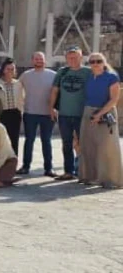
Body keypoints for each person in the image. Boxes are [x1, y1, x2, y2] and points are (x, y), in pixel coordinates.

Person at [77, 53, 121, 189]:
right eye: (92, 61)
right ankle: (90, 176)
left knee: (106, 147)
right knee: (88, 145)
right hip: (88, 112)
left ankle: (110, 179)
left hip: (105, 113)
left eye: (99, 61)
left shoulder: (111, 77)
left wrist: (99, 114)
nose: (95, 64)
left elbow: (114, 99)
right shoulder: (89, 76)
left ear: (104, 62)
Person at [49, 46, 90, 180]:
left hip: (81, 114)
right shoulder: (62, 72)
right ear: (66, 58)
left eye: (75, 57)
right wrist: (51, 108)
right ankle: (68, 171)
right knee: (66, 143)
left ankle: (83, 171)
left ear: (81, 57)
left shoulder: (88, 72)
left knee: (83, 143)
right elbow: (55, 91)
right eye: (70, 57)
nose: (72, 59)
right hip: (64, 114)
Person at [18, 52, 57, 177]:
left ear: (45, 61)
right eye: (36, 59)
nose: (39, 61)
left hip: (47, 113)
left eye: (41, 59)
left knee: (47, 140)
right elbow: (17, 89)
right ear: (32, 61)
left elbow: (58, 94)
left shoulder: (53, 75)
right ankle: (25, 166)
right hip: (30, 113)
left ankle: (49, 168)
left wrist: (55, 109)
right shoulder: (25, 75)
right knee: (29, 140)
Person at [0, 59, 25, 158]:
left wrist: (21, 111)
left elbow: (22, 98)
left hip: (15, 113)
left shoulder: (18, 84)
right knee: (2, 138)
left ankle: (13, 160)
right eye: (8, 69)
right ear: (3, 70)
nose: (10, 71)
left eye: (12, 69)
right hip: (2, 113)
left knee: (14, 138)